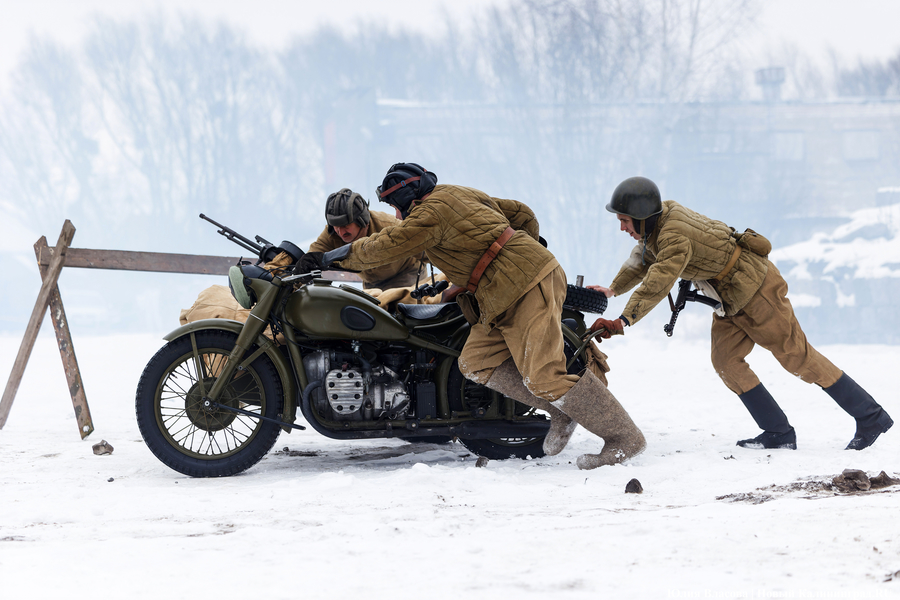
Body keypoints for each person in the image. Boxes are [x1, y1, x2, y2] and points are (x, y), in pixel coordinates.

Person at [296, 162, 646, 469]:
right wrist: (523, 244)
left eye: (394, 206)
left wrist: (328, 258)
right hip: (497, 293)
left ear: (405, 198)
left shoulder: (429, 214)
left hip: (525, 283)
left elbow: (385, 245)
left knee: (545, 376)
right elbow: (522, 213)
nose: (396, 214)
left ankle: (624, 438)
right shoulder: (458, 192)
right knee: (476, 362)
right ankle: (560, 411)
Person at [589, 176, 893, 451]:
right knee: (726, 361)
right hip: (727, 297)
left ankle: (871, 416)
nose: (622, 228)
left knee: (798, 357)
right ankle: (778, 432)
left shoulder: (675, 236)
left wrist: (623, 320)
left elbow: (658, 280)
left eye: (624, 221)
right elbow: (642, 258)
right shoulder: (658, 221)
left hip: (756, 289)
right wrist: (612, 289)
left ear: (642, 217)